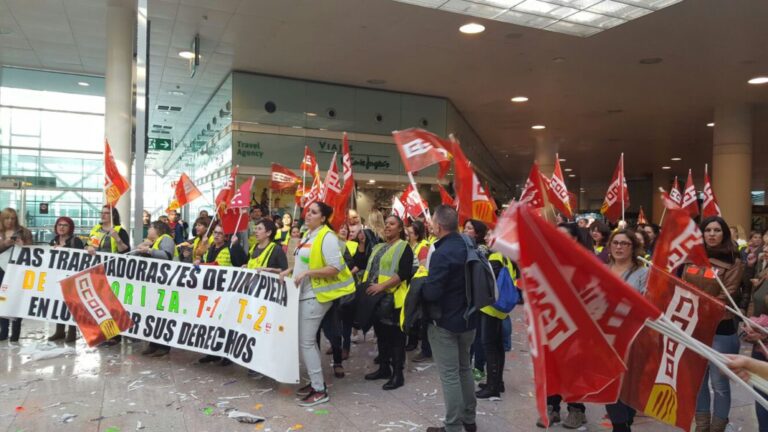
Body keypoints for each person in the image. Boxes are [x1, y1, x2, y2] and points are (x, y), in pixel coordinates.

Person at [282, 202, 355, 407]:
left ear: (323, 218)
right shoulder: (309, 234)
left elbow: (335, 267)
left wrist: (307, 273)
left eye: (314, 213)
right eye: (308, 211)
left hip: (316, 296)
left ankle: (320, 390)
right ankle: (316, 382)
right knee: (307, 342)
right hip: (304, 294)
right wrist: (288, 272)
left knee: (306, 342)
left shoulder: (328, 237)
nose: (308, 215)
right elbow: (303, 262)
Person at [684, 216, 745, 432]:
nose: (711, 234)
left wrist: (699, 308)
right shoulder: (690, 258)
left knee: (719, 385)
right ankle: (702, 425)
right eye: (707, 230)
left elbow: (725, 295)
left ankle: (718, 426)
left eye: (716, 230)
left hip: (721, 329)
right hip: (693, 328)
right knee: (698, 382)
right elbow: (681, 286)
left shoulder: (734, 261)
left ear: (724, 234)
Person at [422, 206, 477, 432]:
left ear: (439, 226)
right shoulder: (468, 244)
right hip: (469, 319)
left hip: (445, 322)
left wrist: (422, 287)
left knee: (450, 375)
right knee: (465, 368)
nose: (431, 225)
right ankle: (469, 419)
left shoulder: (442, 253)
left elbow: (432, 292)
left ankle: (453, 425)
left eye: (432, 222)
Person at [361, 215, 414, 391]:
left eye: (392, 224)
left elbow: (403, 273)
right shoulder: (378, 247)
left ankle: (397, 375)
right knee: (381, 336)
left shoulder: (403, 247)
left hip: (393, 300)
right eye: (386, 224)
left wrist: (382, 286)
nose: (388, 227)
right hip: (375, 299)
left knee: (396, 339)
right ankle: (384, 368)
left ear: (400, 229)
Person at [604, 229, 647, 432]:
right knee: (610, 382)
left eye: (624, 243)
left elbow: (647, 304)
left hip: (633, 337)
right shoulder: (601, 269)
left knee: (629, 385)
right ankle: (619, 426)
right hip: (606, 336)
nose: (619, 247)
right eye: (616, 243)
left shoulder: (643, 272)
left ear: (633, 248)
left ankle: (625, 420)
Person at [196, 225, 247, 365]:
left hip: (228, 293)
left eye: (220, 233)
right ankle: (213, 352)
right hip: (212, 293)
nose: (217, 235)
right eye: (215, 232)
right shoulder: (210, 247)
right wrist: (198, 262)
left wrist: (236, 246)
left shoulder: (231, 248)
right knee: (212, 323)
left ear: (226, 236)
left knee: (226, 324)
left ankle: (227, 355)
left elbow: (241, 263)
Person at [135, 221, 177, 357]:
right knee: (153, 314)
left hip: (166, 283)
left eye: (151, 228)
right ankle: (153, 343)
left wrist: (148, 250)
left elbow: (166, 256)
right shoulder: (154, 242)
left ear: (158, 229)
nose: (148, 230)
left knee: (163, 314)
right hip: (155, 283)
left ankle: (164, 346)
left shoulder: (166, 239)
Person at [48, 216, 85, 343]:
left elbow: (80, 259)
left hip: (71, 277)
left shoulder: (76, 241)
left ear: (70, 228)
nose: (61, 227)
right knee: (58, 303)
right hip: (57, 276)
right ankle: (59, 330)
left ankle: (72, 331)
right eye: (59, 225)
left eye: (65, 225)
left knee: (71, 304)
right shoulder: (53, 241)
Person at [463, 219, 490, 383]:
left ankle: (479, 367)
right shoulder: (465, 248)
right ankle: (467, 364)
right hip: (468, 299)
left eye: (469, 228)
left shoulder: (482, 250)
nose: (465, 231)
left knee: (479, 336)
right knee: (469, 335)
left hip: (479, 301)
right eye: (465, 227)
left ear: (477, 233)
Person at [0, 208, 33, 342]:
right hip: (1, 269)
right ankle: (3, 331)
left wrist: (23, 245)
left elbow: (32, 250)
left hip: (18, 270)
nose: (10, 221)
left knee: (17, 299)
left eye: (12, 218)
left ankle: (15, 332)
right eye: (7, 218)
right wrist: (5, 244)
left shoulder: (24, 232)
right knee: (2, 300)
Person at [406, 220, 431, 359]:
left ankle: (416, 343)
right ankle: (412, 341)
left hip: (418, 285)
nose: (407, 235)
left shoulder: (422, 247)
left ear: (417, 235)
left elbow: (423, 267)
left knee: (418, 316)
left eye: (410, 233)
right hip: (411, 284)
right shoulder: (410, 245)